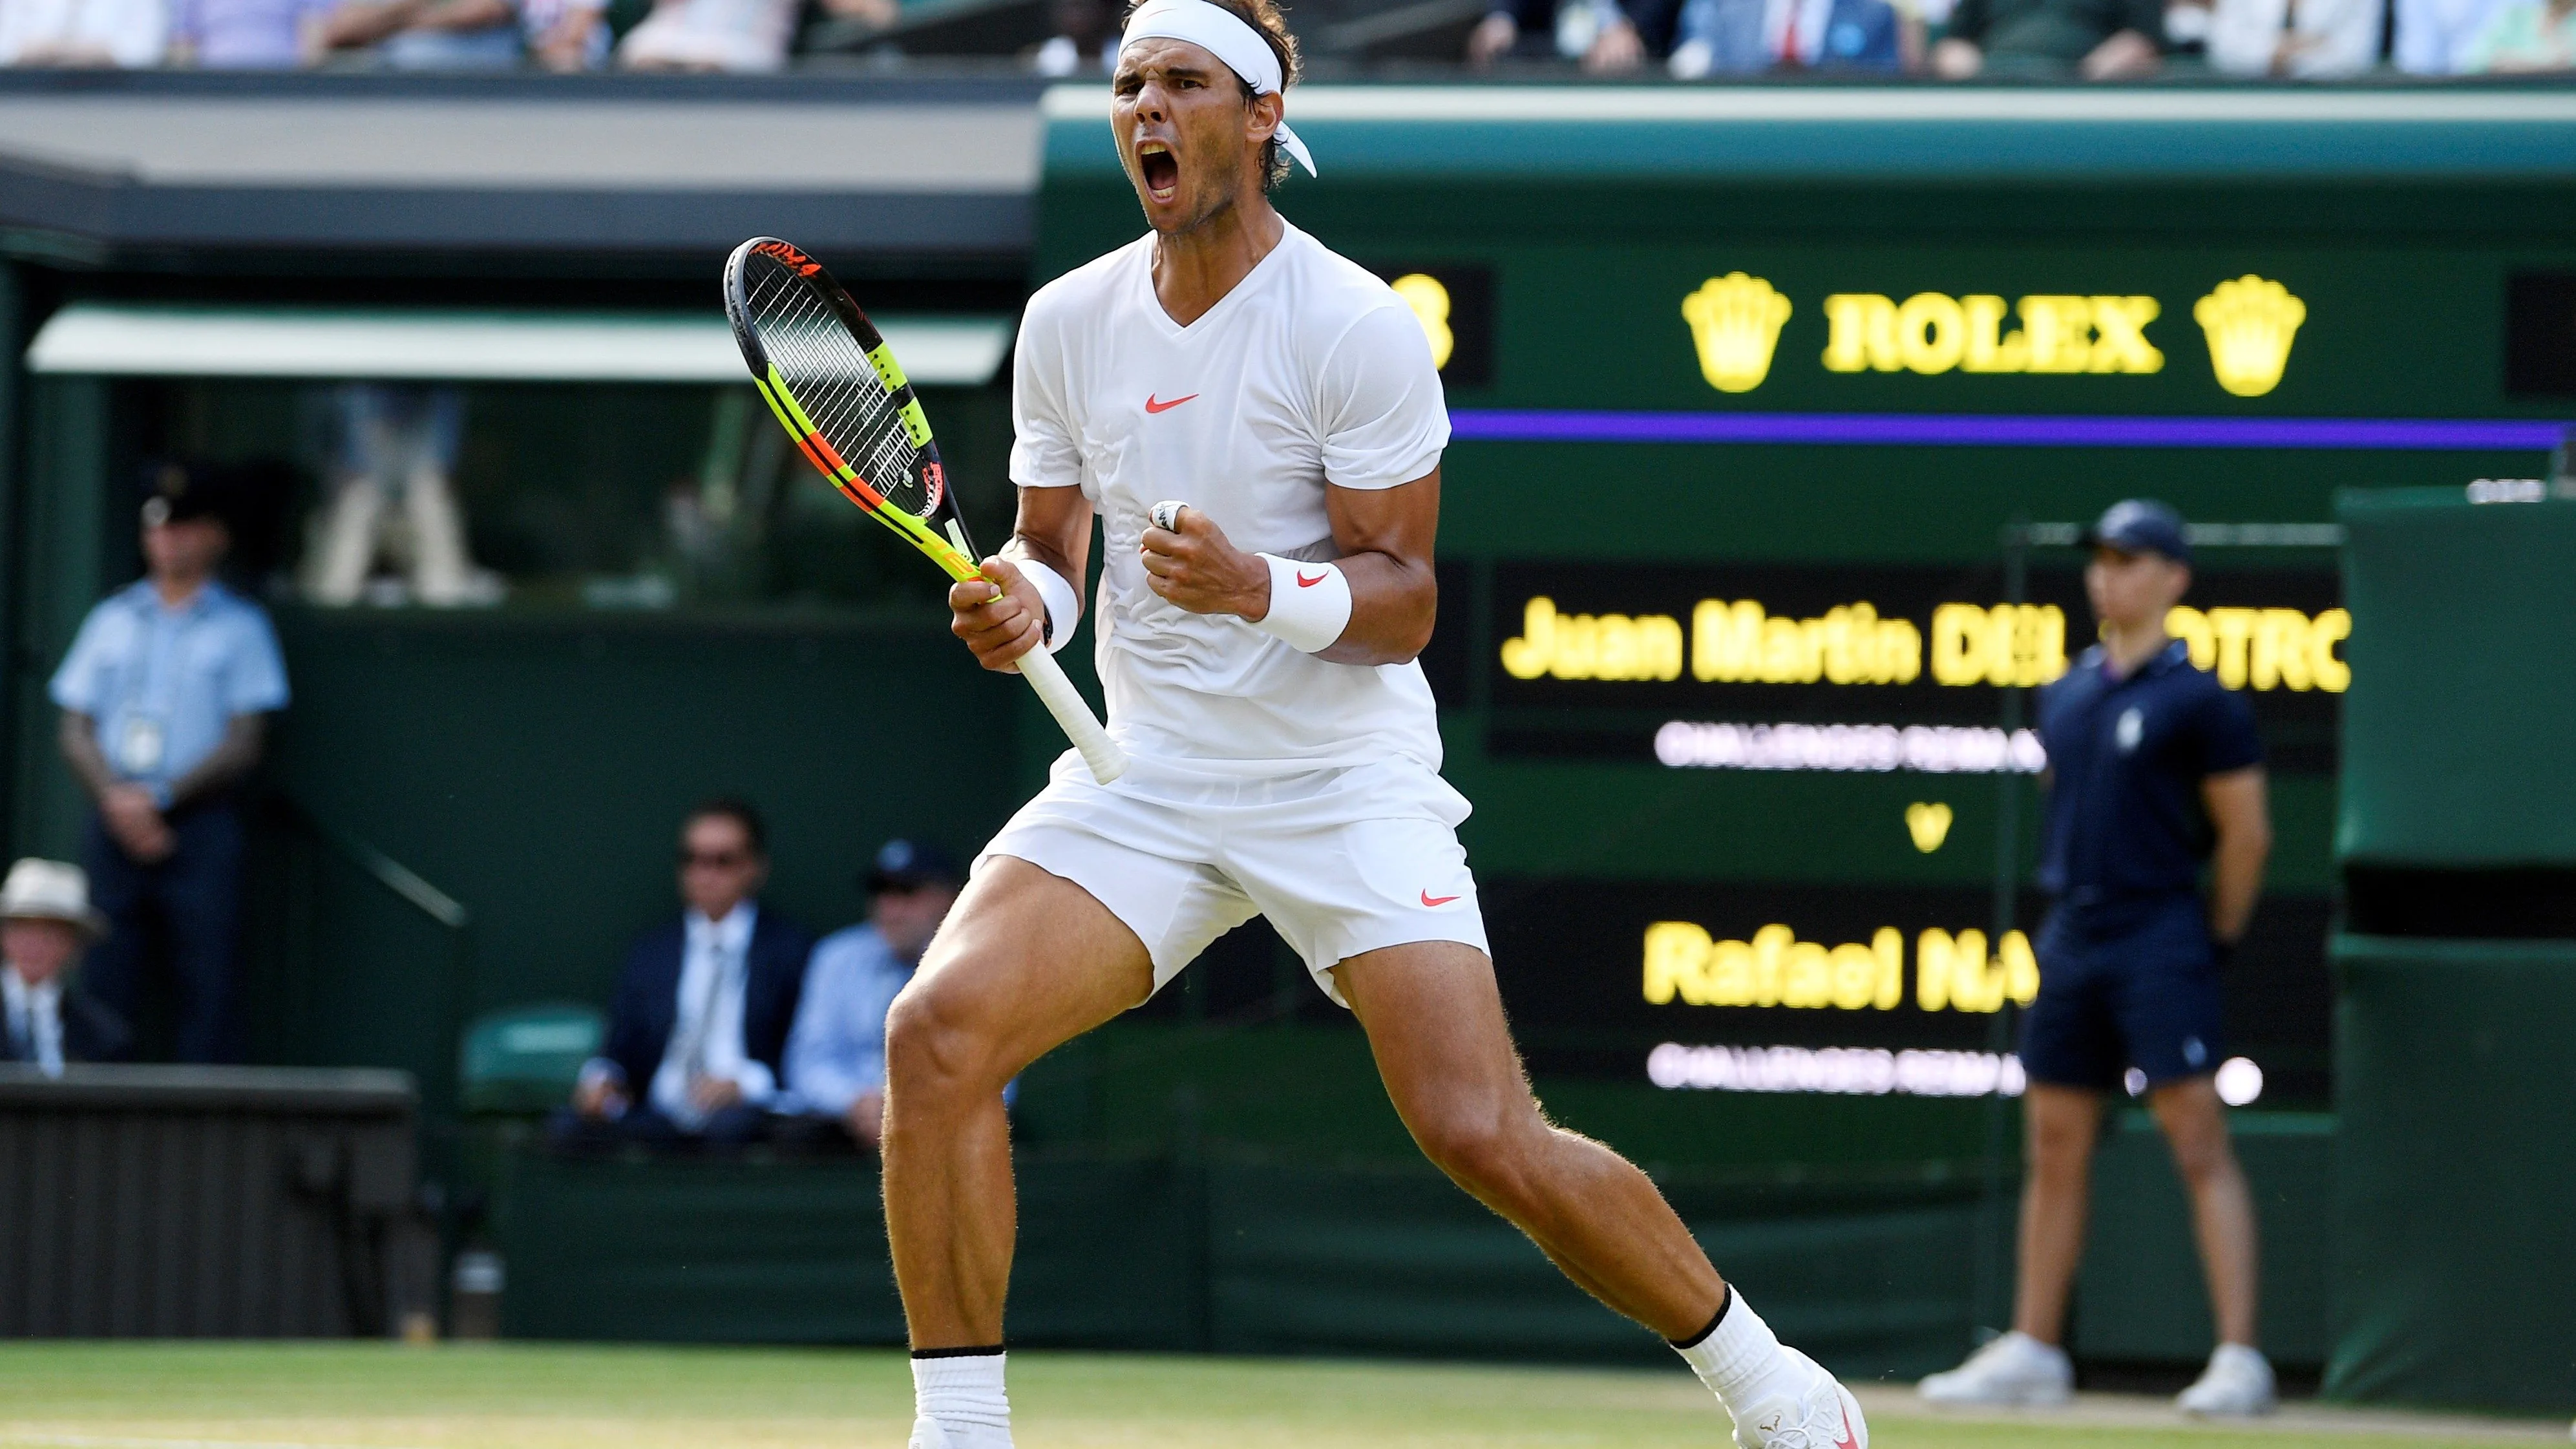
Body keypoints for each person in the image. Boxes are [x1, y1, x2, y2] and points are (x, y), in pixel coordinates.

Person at [889, 3, 1867, 1446]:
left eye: (1184, 84)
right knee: (938, 1034)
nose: (1148, 111)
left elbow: (1404, 598)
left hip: (1339, 779)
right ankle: (962, 1432)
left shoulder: (1354, 323)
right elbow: (1050, 548)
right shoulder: (1068, 319)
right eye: (1129, 87)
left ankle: (1775, 1387)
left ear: (1264, 114)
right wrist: (1027, 603)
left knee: (1480, 1131)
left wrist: (1255, 586)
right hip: (1147, 777)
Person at [1919, 500, 2275, 1416]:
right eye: (2099, 561)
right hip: (2073, 930)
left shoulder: (2200, 697)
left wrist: (2215, 935)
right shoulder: (2069, 690)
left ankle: (2238, 1356)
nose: (2104, 576)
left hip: (2161, 926)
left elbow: (2245, 834)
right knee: (2052, 1137)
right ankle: (2035, 1346)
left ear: (2172, 577)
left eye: (2127, 560)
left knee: (2195, 1133)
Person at [51, 464, 288, 1065]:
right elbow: (75, 727)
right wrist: (118, 798)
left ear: (214, 537)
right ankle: (98, 1121)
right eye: (158, 529)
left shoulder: (242, 626)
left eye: (185, 528)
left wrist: (160, 799)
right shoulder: (112, 619)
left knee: (208, 977)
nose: (170, 541)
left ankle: (207, 1132)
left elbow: (245, 739)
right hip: (114, 821)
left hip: (199, 823)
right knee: (106, 976)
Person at [564, 802, 814, 1145]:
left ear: (755, 867)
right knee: (570, 1128)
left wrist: (745, 1083)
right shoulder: (653, 950)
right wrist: (602, 1080)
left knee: (731, 1130)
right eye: (691, 858)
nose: (704, 873)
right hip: (657, 1113)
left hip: (742, 1116)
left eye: (722, 861)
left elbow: (805, 1058)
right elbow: (618, 1047)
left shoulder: (789, 950)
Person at [781, 840, 964, 1149]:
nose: (891, 909)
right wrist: (855, 1102)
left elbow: (997, 1081)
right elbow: (809, 1062)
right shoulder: (836, 958)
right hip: (848, 1125)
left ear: (947, 898)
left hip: (940, 1125)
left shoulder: (973, 966)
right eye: (882, 892)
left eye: (908, 892)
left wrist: (911, 1107)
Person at [1, 859, 129, 1075]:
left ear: (73, 946)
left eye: (51, 934)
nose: (35, 946)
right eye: (24, 930)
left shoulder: (103, 1035)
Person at [1930, 0, 2161, 74]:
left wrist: (2091, 73)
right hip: (1996, 91)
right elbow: (1952, 45)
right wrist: (1974, 71)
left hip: (2087, 96)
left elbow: (2145, 41)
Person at [1466, 0, 1655, 70]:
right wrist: (1500, 20)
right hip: (1549, 68)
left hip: (1625, 76)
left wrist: (1627, 29)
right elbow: (1508, 11)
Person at [0, 0, 166, 65]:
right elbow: (4, 46)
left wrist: (99, 51)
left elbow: (147, 50)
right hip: (25, 94)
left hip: (112, 96)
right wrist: (35, 49)